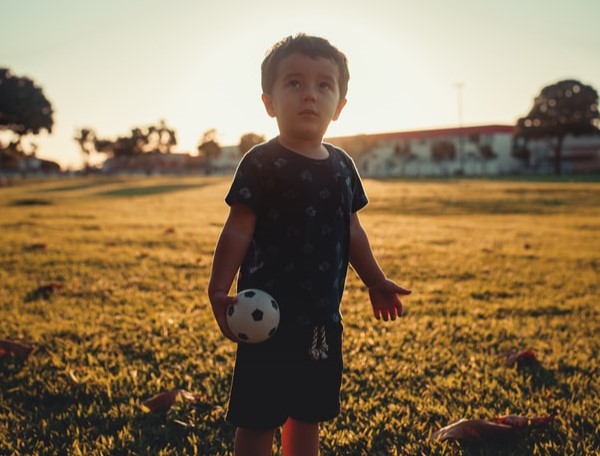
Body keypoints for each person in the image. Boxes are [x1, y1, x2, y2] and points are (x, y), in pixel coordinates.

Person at [208, 33, 411, 456]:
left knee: (307, 416)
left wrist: (375, 280)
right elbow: (238, 229)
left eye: (324, 85)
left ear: (339, 107)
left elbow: (351, 230)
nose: (309, 96)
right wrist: (217, 289)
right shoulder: (261, 162)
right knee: (258, 418)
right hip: (266, 321)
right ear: (269, 101)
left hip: (322, 323)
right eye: (294, 83)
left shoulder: (342, 166)